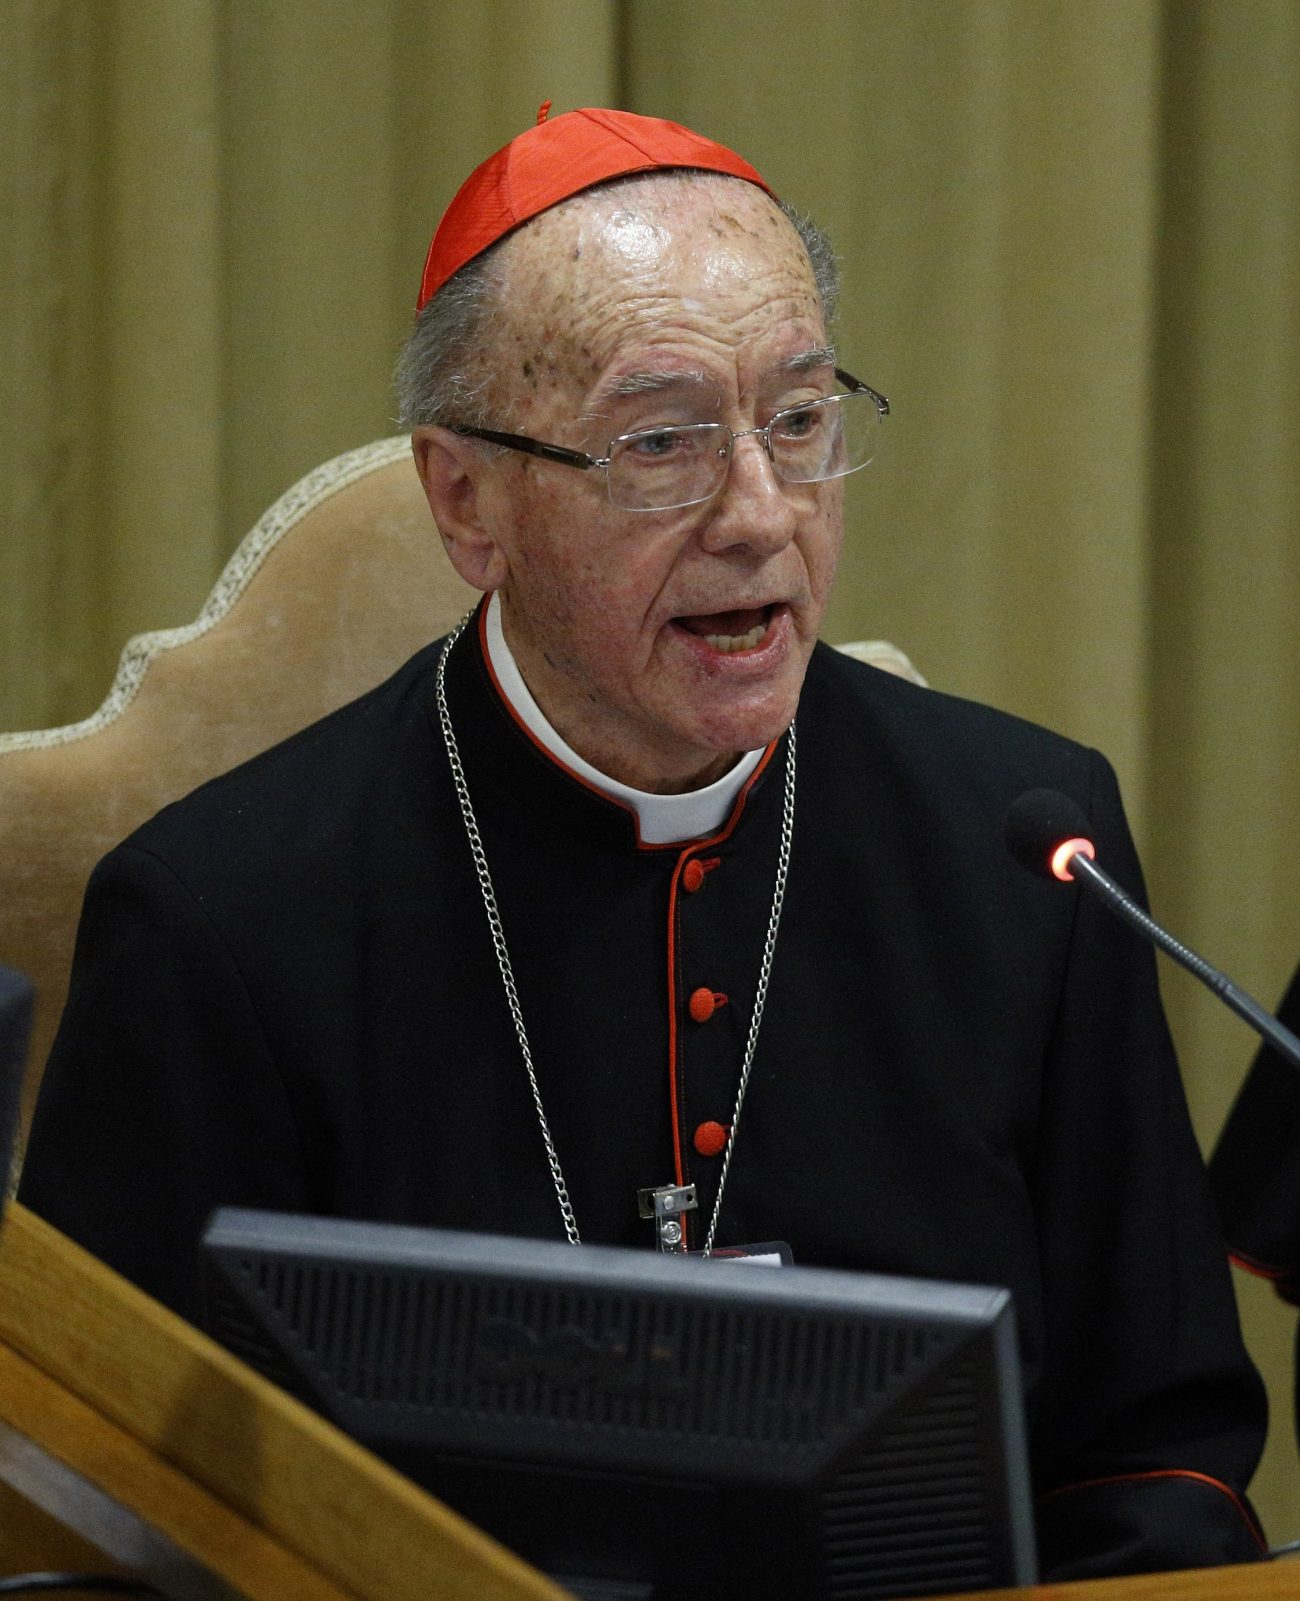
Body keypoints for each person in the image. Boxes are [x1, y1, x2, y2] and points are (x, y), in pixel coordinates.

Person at [20, 107, 1267, 1578]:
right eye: (661, 440)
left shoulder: (1027, 853)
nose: (760, 514)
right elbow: (111, 1509)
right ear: (467, 500)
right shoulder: (223, 921)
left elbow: (1158, 1445)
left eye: (800, 420)